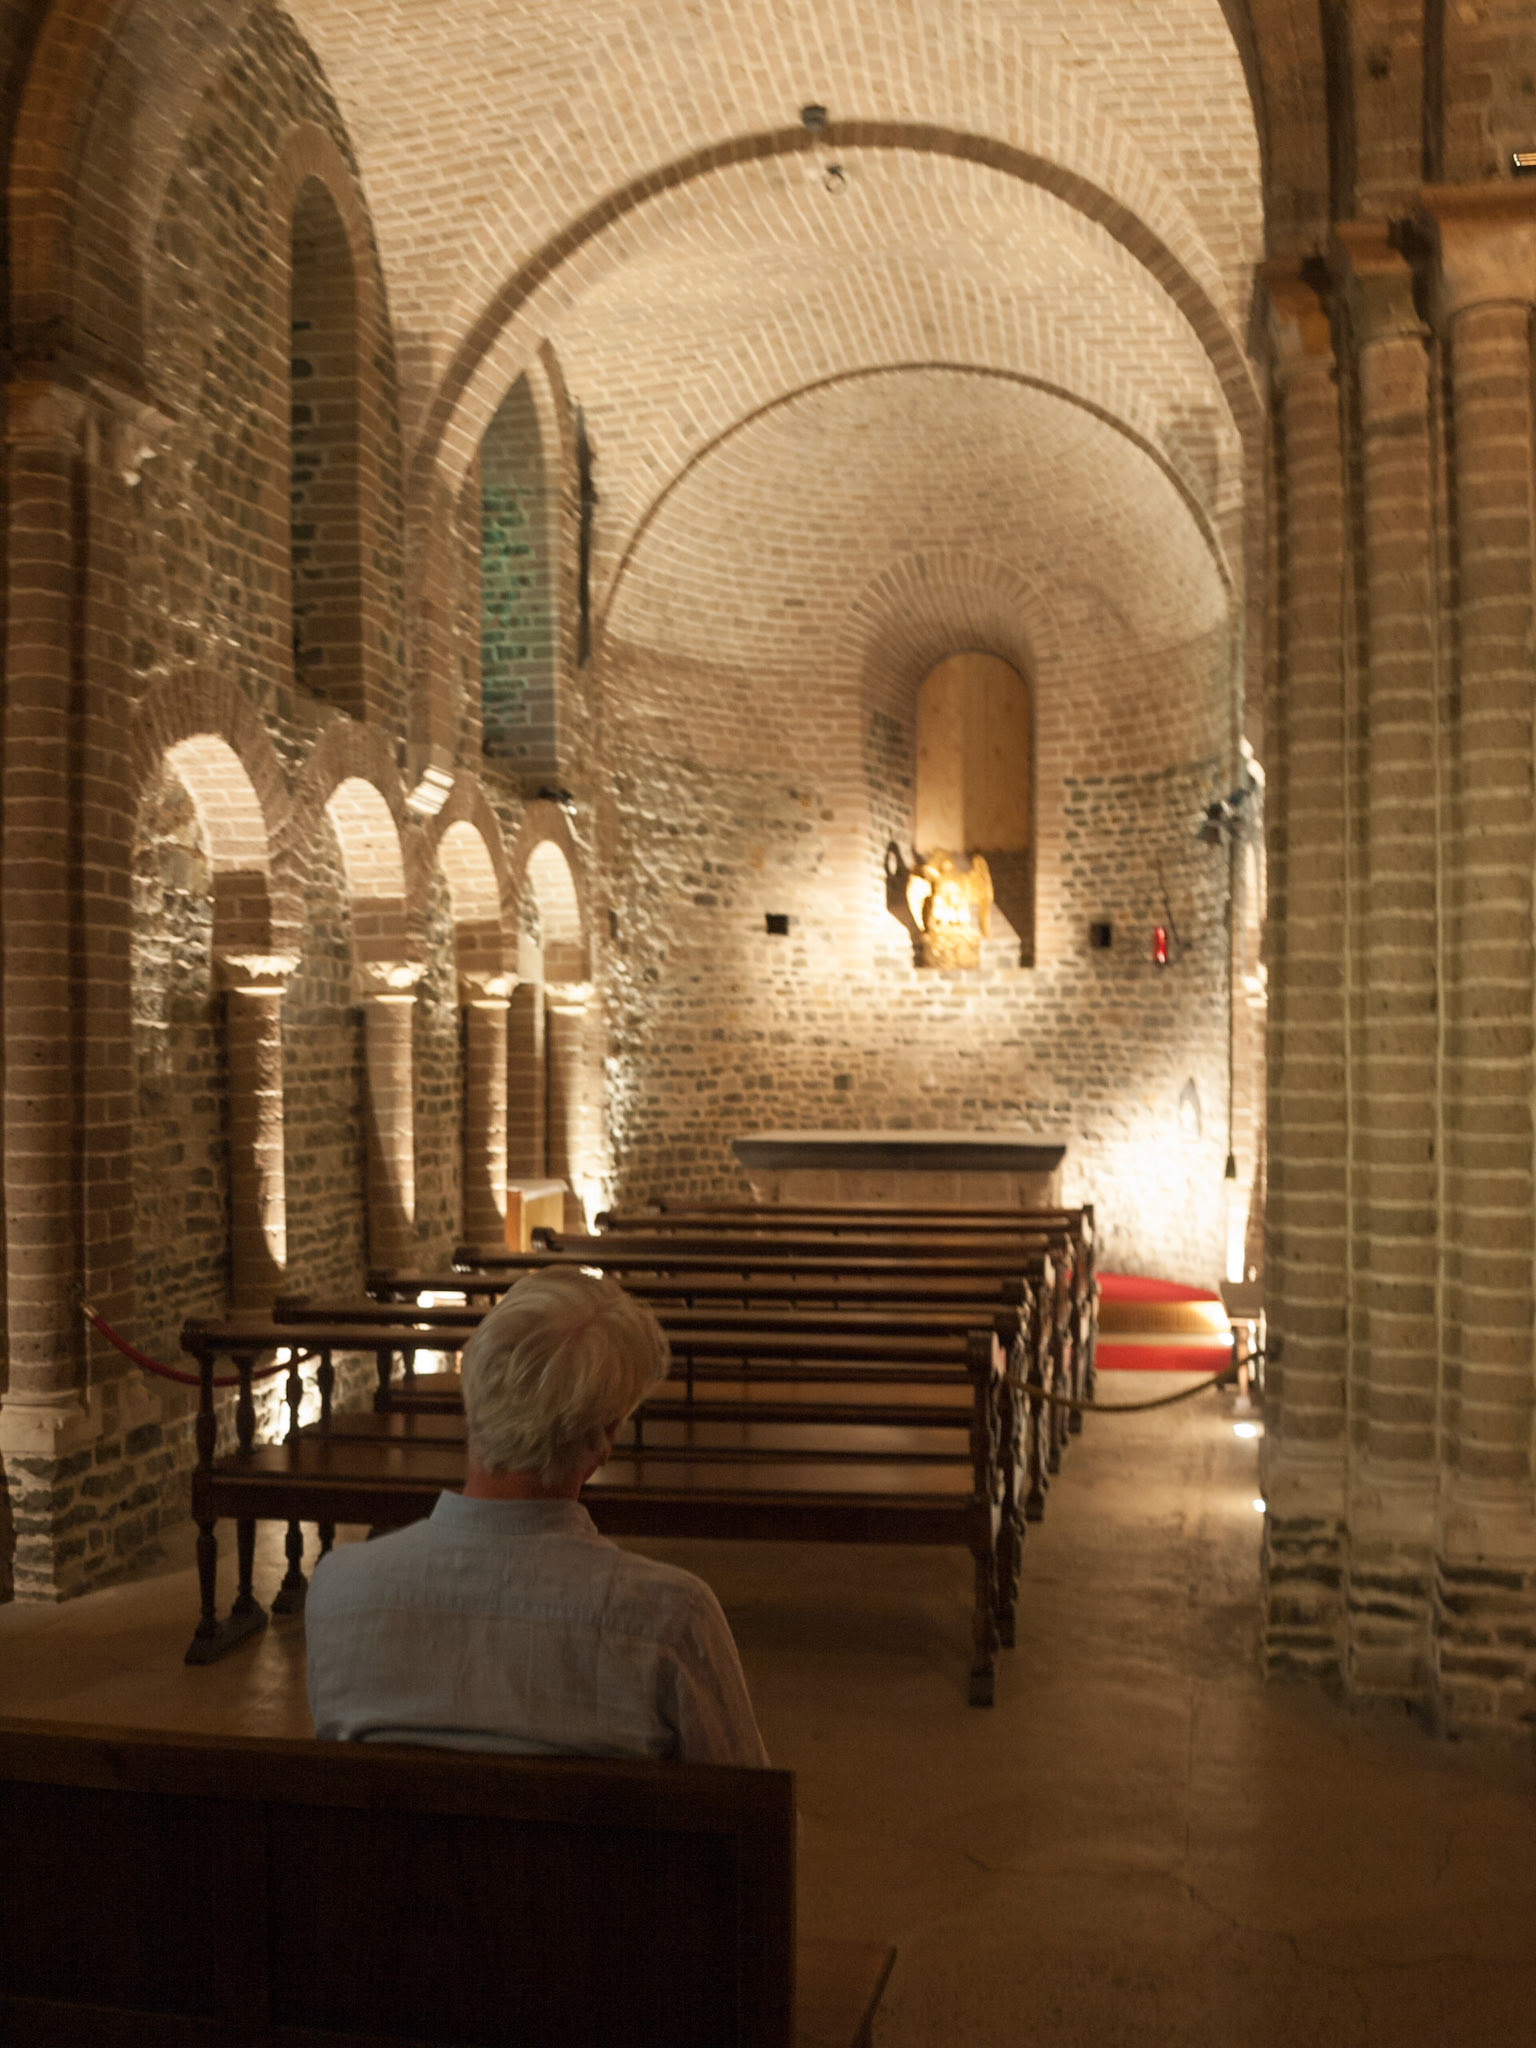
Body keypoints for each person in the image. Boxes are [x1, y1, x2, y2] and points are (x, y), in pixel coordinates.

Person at [305, 1266, 768, 1766]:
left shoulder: (340, 1589)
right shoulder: (671, 1617)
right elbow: (744, 1806)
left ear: (472, 1396)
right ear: (605, 1437)